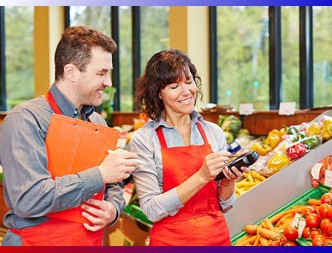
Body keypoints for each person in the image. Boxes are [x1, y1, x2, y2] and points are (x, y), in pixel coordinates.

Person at [0, 26, 139, 246]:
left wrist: (113, 209)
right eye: (101, 73)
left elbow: (114, 183)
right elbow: (29, 199)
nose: (109, 82)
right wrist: (99, 174)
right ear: (71, 72)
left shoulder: (98, 122)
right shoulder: (24, 119)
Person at [130, 49, 244, 246]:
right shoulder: (144, 139)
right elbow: (151, 210)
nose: (186, 92)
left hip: (217, 238)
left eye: (189, 81)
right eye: (174, 86)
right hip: (171, 242)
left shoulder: (213, 132)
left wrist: (227, 182)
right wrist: (201, 176)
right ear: (158, 92)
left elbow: (225, 205)